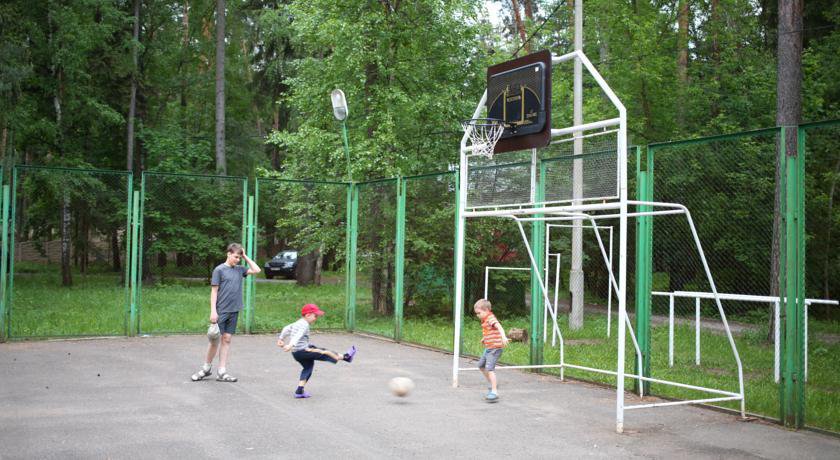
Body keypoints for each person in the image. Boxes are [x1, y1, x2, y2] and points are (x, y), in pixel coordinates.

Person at [191, 243, 261, 382]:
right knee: (214, 340)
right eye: (236, 256)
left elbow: (257, 270)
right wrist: (213, 311)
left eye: (239, 257)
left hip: (234, 310)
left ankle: (222, 371)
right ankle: (206, 368)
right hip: (221, 310)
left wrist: (245, 255)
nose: (237, 260)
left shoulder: (240, 269)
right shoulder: (219, 270)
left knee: (227, 339)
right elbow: (214, 292)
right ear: (228, 254)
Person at [277, 303, 356, 398]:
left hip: (296, 353)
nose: (316, 318)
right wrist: (290, 344)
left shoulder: (298, 322)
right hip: (303, 351)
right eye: (315, 316)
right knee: (323, 352)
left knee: (308, 367)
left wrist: (281, 338)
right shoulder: (304, 325)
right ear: (308, 315)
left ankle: (299, 391)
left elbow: (286, 328)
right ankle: (346, 357)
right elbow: (298, 335)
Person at [474, 298, 509, 402]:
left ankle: (494, 391)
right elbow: (490, 331)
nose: (477, 315)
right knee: (481, 365)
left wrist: (503, 337)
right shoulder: (485, 320)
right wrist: (484, 338)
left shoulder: (490, 318)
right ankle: (493, 383)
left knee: (490, 369)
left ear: (486, 310)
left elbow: (499, 326)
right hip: (488, 348)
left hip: (494, 349)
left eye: (479, 313)